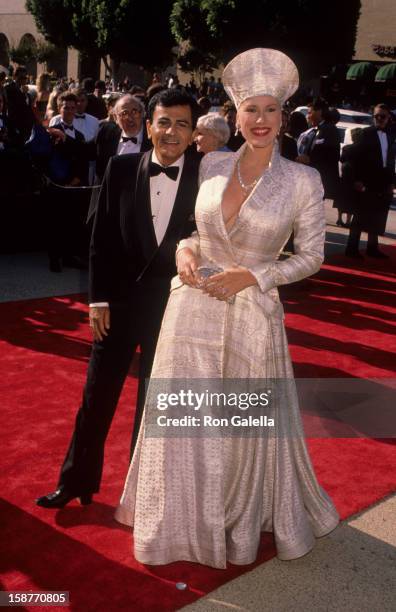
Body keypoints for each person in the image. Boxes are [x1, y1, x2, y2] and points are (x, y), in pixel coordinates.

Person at [115, 48, 339, 568]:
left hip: (252, 317)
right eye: (250, 110)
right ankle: (178, 521)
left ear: (285, 116)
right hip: (190, 307)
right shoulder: (212, 162)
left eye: (270, 110)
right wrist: (186, 250)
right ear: (234, 115)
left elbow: (311, 257)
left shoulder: (303, 182)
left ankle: (233, 519)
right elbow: (191, 230)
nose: (260, 121)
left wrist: (254, 276)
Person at [35, 88, 201, 509]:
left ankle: (143, 494)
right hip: (118, 306)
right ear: (149, 126)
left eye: (182, 124)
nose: (171, 132)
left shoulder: (207, 178)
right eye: (163, 122)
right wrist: (97, 300)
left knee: (154, 406)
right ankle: (75, 482)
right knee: (96, 398)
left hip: (171, 311)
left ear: (193, 132)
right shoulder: (121, 168)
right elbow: (100, 239)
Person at [87, 93, 151, 223]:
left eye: (135, 112)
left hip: (140, 208)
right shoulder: (106, 132)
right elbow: (85, 150)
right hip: (108, 205)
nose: (130, 117)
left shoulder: (152, 140)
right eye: (124, 113)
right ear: (115, 118)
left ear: (143, 114)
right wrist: (64, 138)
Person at [345, 104, 395, 259]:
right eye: (376, 116)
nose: (379, 119)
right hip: (365, 181)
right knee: (360, 216)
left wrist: (392, 182)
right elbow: (350, 156)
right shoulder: (364, 133)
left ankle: (372, 248)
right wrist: (356, 180)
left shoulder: (390, 136)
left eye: (382, 116)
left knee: (378, 216)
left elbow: (389, 160)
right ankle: (351, 249)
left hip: (382, 182)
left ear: (389, 118)